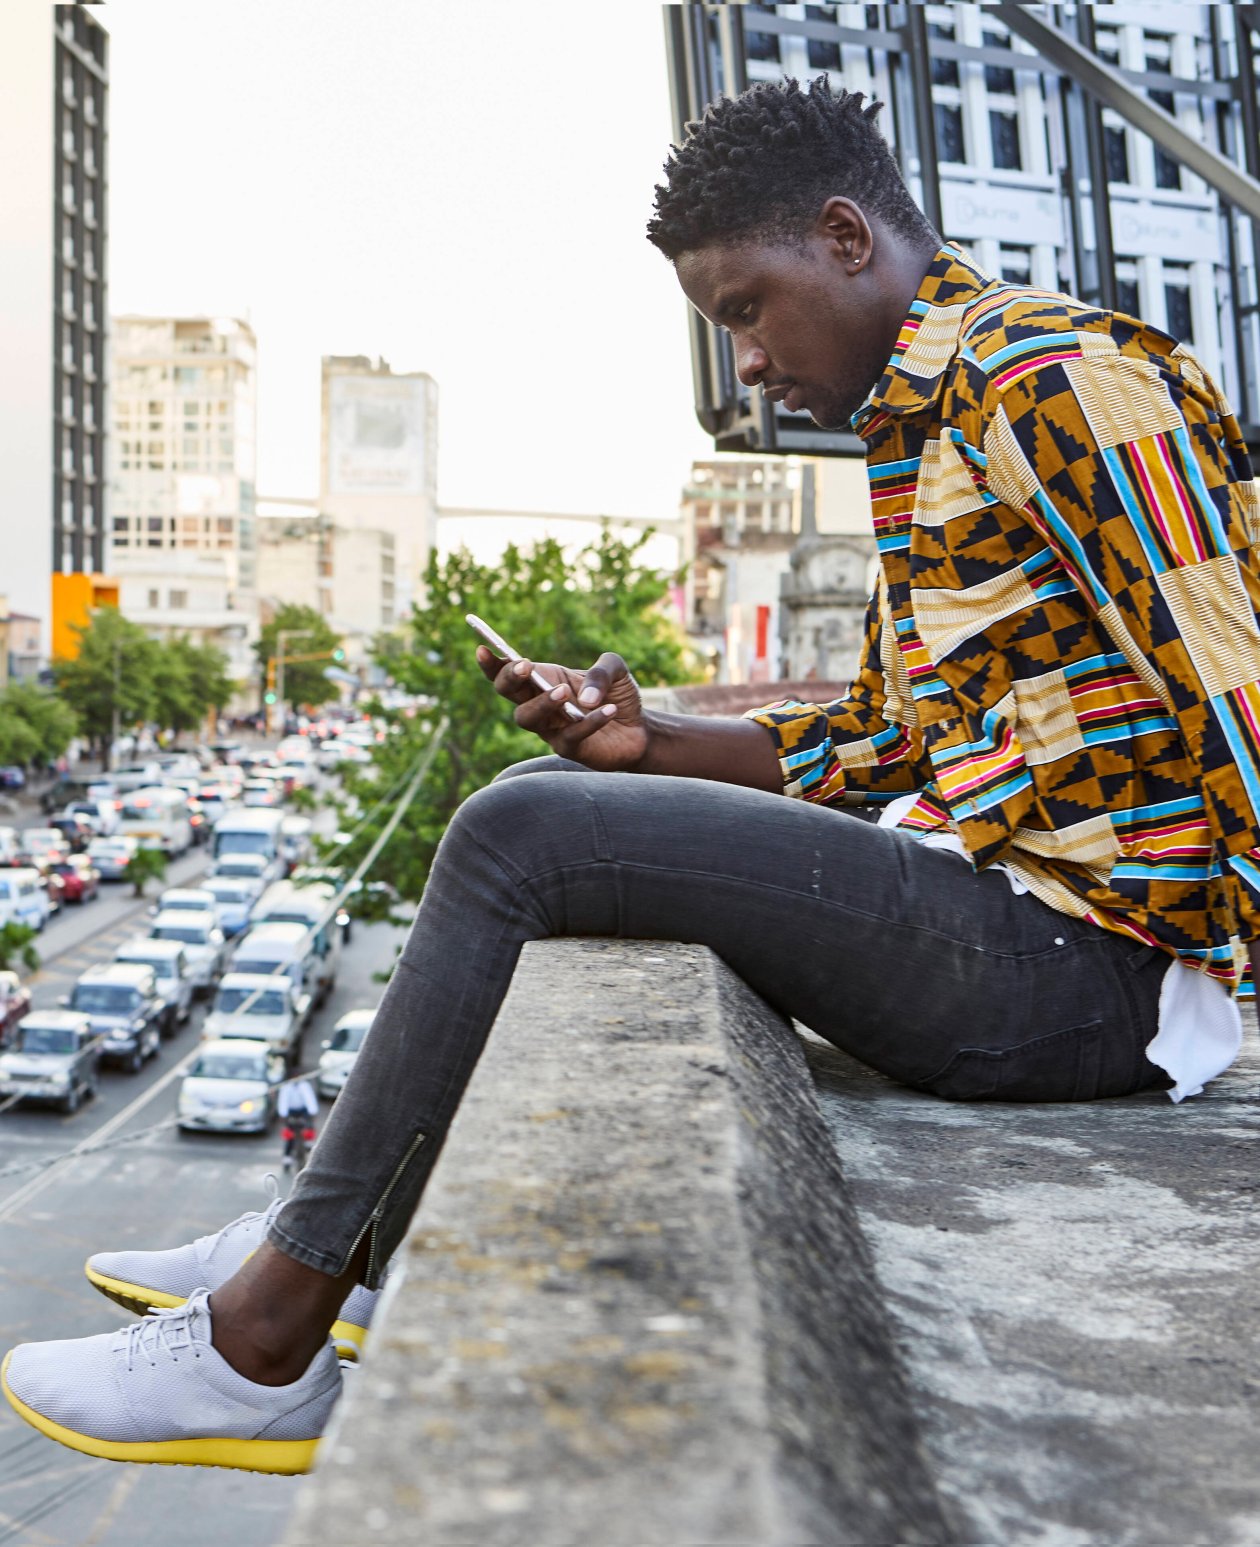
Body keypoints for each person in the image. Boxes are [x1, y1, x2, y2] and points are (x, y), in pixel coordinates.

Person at [6, 75, 1260, 1475]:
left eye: (744, 310)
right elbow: (884, 742)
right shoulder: (928, 425)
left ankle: (263, 1340)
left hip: (1093, 972)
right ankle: (330, 1246)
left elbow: (1241, 680)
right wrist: (644, 741)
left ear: (846, 236)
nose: (749, 368)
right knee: (563, 810)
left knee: (522, 834)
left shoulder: (1059, 379)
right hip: (1019, 932)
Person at [277, 1077, 319, 1171]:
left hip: (302, 1111)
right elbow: (283, 1101)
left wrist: (312, 1112)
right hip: (291, 1112)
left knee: (309, 1127)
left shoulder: (304, 1085)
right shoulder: (286, 1087)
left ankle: (308, 1143)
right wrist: (283, 1115)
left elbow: (309, 1099)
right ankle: (287, 1159)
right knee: (289, 1135)